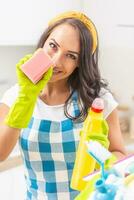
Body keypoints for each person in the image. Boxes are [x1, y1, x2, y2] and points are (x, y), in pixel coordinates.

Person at [0, 11, 126, 200]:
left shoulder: (98, 100)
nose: (56, 61)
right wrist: (26, 97)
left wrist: (103, 157)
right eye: (53, 46)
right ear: (44, 42)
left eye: (71, 56)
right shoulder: (16, 96)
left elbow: (119, 157)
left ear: (80, 63)